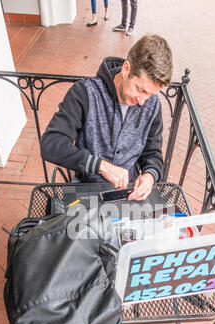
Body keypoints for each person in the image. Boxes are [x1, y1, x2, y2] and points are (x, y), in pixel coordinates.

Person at [40, 35, 173, 201]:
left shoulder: (152, 104)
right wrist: (101, 166)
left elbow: (153, 153)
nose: (142, 101)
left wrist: (150, 176)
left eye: (150, 94)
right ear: (126, 69)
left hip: (129, 193)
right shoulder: (85, 93)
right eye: (140, 90)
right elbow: (51, 144)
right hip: (86, 188)